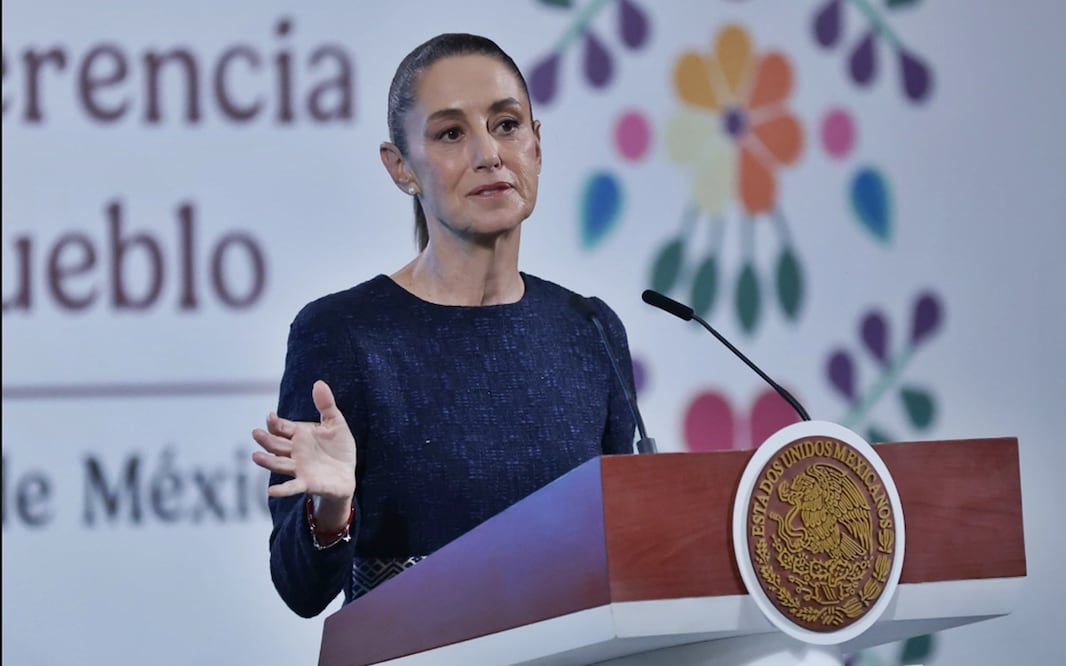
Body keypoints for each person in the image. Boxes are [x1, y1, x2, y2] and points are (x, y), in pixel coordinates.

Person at [251, 33, 638, 619]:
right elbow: (300, 590)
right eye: (452, 133)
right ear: (400, 167)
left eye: (507, 125)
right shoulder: (344, 333)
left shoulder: (590, 329)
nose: (490, 154)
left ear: (537, 143)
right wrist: (332, 511)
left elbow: (628, 549)